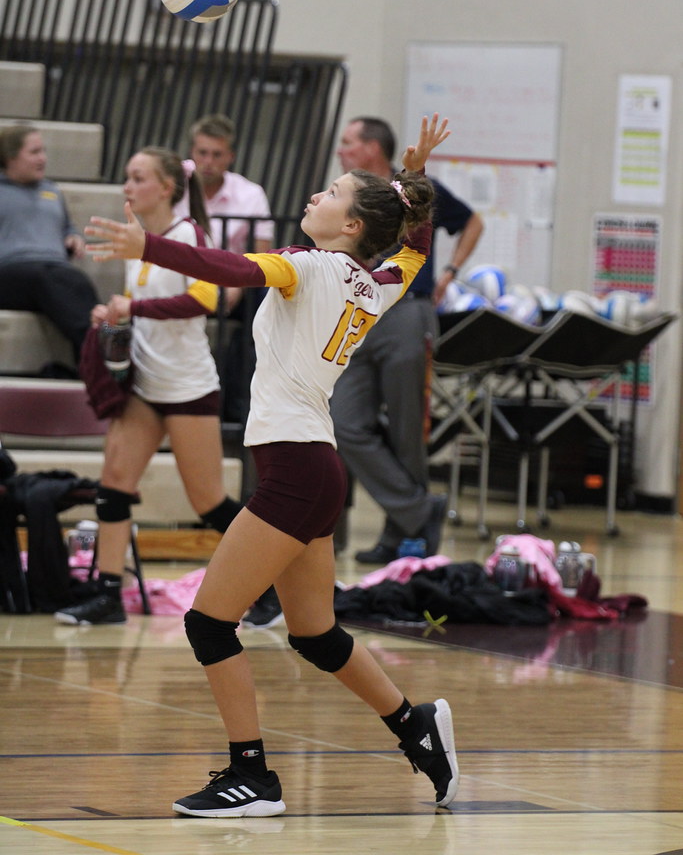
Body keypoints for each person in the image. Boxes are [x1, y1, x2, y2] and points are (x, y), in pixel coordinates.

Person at [83, 114, 459, 817]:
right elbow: (410, 248)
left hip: (293, 470)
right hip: (316, 468)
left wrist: (152, 245)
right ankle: (415, 726)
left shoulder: (309, 267)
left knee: (209, 622)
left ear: (349, 227)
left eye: (333, 191)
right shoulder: (371, 284)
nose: (317, 194)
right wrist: (412, 183)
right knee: (314, 634)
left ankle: (251, 776)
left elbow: (227, 269)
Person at [54, 147, 242, 626]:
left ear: (166, 188)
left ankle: (270, 585)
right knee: (113, 487)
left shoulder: (188, 235)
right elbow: (137, 307)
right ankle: (108, 595)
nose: (127, 187)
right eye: (126, 177)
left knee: (209, 502)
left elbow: (205, 299)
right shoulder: (136, 239)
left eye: (138, 178)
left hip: (187, 387)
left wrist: (132, 309)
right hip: (143, 384)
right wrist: (113, 314)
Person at [331, 115, 484, 565]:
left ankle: (402, 535)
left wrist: (452, 270)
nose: (341, 150)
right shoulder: (349, 191)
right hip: (357, 315)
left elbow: (472, 223)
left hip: (405, 313)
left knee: (405, 429)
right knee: (345, 424)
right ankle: (419, 512)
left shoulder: (413, 189)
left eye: (349, 143)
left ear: (373, 149)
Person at [174, 113, 274, 428]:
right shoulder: (173, 185)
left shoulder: (251, 193)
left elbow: (263, 252)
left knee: (265, 301)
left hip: (232, 282)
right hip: (178, 277)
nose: (208, 162)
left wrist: (238, 285)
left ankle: (237, 407)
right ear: (191, 151)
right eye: (202, 153)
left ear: (230, 156)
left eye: (217, 154)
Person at [0, 123, 100, 371]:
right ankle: (97, 348)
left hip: (54, 270)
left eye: (43, 151)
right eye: (34, 152)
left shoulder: (52, 191)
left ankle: (93, 354)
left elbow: (68, 228)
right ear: (10, 157)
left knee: (78, 281)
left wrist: (73, 237)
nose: (43, 158)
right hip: (11, 271)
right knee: (45, 277)